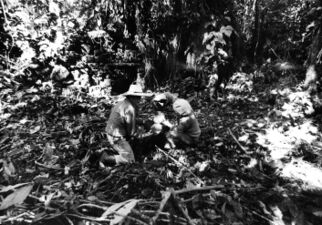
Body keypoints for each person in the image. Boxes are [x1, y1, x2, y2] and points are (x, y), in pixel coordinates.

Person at [100, 84, 152, 166]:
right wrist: (147, 134)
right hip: (117, 138)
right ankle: (106, 158)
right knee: (129, 160)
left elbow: (125, 119)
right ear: (131, 97)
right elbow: (132, 133)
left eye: (139, 97)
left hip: (110, 134)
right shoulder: (130, 108)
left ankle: (125, 150)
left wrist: (142, 122)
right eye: (137, 97)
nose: (139, 99)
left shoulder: (123, 102)